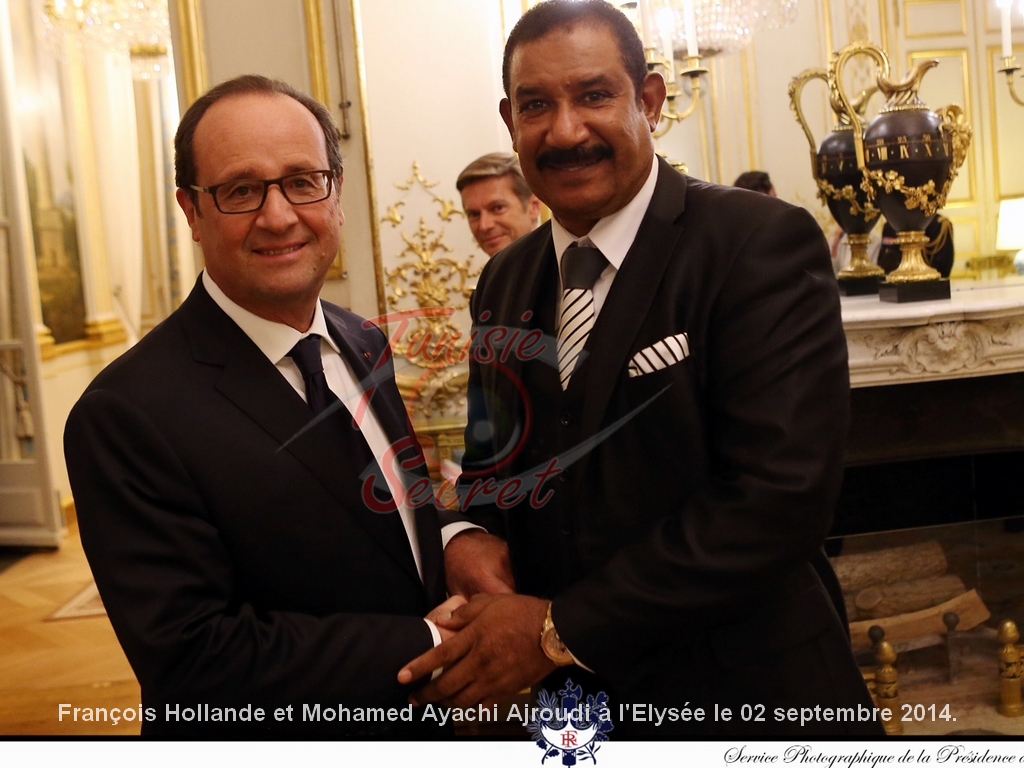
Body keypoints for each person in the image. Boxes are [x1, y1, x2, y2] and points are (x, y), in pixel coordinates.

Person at [399, 0, 883, 737]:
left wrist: (556, 628)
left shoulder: (756, 245)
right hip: (581, 720)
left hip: (749, 700)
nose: (565, 131)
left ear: (649, 101)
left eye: (594, 95)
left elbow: (776, 501)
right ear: (509, 120)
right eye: (537, 105)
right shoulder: (502, 282)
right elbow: (491, 466)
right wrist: (463, 533)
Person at [63, 75, 460, 736]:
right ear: (191, 211)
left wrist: (455, 541)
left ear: (335, 192)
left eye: (303, 180)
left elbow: (388, 525)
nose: (279, 216)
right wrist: (424, 641)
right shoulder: (125, 414)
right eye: (241, 190)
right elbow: (194, 662)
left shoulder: (362, 340)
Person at [457, 152, 541, 256]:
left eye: (498, 208)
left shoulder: (563, 268)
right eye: (474, 214)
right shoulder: (492, 272)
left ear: (534, 206)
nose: (484, 226)